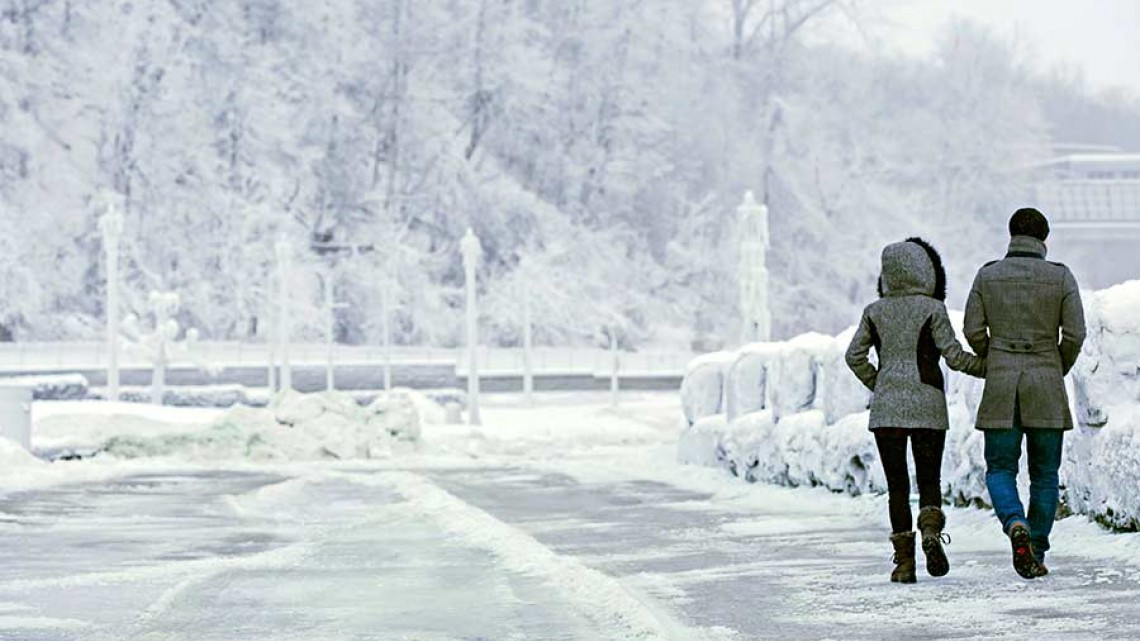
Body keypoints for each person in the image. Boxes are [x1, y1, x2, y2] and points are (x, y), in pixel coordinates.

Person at [846, 238, 986, 584]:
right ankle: (930, 532)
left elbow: (854, 356)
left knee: (896, 486)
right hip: (928, 407)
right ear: (927, 270)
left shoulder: (874, 311)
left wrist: (879, 384)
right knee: (929, 480)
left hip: (887, 410)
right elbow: (954, 356)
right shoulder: (933, 309)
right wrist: (987, 367)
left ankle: (904, 565)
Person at [963, 208, 1086, 579]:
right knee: (1045, 474)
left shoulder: (987, 275)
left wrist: (995, 357)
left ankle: (1015, 522)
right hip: (1046, 381)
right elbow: (1076, 334)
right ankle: (1036, 547)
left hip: (1001, 384)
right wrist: (1055, 365)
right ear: (1044, 239)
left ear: (1011, 234)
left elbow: (972, 330)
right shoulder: (1061, 277)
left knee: (1000, 468)